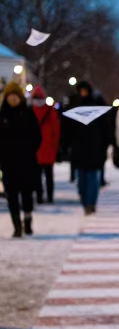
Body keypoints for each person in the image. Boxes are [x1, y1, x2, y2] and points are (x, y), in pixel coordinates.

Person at [0, 82, 40, 236]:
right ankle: (17, 226)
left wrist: (30, 150)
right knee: (11, 195)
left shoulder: (28, 114)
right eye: (10, 97)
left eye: (15, 96)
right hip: (8, 162)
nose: (13, 100)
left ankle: (28, 220)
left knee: (27, 194)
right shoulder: (2, 115)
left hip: (26, 161)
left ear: (20, 98)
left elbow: (37, 136)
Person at [66, 84, 112, 214]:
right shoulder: (75, 107)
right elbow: (69, 128)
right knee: (82, 180)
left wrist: (104, 144)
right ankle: (86, 201)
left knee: (91, 179)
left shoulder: (96, 107)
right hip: (80, 148)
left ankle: (90, 203)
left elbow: (105, 129)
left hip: (93, 148)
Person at [31, 86, 60, 204]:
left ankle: (39, 196)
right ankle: (50, 196)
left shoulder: (30, 110)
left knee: (37, 176)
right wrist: (55, 146)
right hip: (48, 147)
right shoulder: (50, 111)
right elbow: (56, 130)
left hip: (35, 148)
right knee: (49, 175)